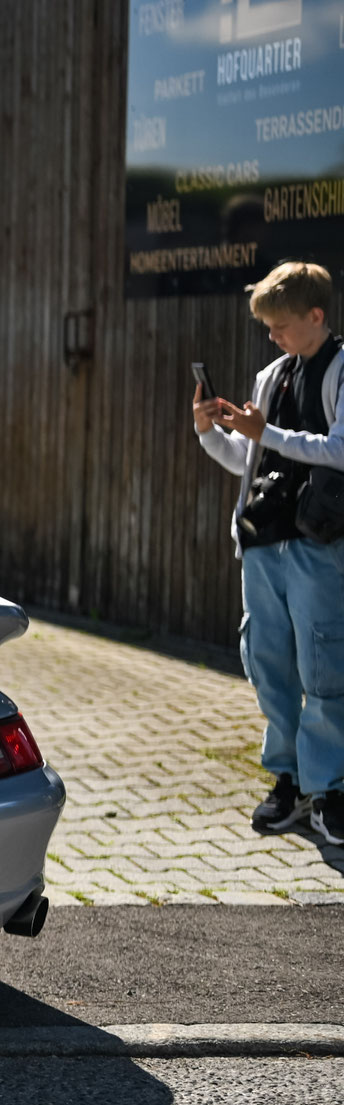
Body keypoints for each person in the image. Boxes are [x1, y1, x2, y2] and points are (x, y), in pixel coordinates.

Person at [194, 261, 344, 845]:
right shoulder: (270, 376)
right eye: (269, 328)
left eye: (282, 325)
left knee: (325, 666)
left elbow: (339, 450)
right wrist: (210, 432)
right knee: (270, 665)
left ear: (316, 316)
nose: (274, 337)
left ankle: (329, 789)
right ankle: (288, 781)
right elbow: (249, 460)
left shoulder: (340, 368)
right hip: (261, 540)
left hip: (318, 544)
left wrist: (267, 434)